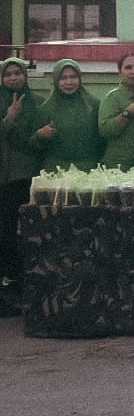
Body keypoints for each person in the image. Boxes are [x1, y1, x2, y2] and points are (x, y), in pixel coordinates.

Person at [1, 57, 44, 297]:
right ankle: (10, 278)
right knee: (6, 231)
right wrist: (9, 118)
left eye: (17, 73)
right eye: (8, 74)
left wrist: (39, 136)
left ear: (25, 76)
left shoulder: (37, 103)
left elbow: (37, 142)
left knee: (30, 230)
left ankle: (31, 279)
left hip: (29, 175)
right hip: (5, 177)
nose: (13, 78)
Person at [36, 59, 101, 172]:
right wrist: (40, 135)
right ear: (56, 80)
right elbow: (35, 146)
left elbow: (102, 140)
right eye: (63, 78)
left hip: (88, 170)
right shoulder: (46, 108)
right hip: (55, 171)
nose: (69, 82)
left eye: (73, 77)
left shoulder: (94, 105)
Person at [98, 52, 134, 169]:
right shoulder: (112, 98)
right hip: (118, 166)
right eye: (128, 68)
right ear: (120, 72)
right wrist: (129, 112)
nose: (133, 72)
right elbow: (105, 131)